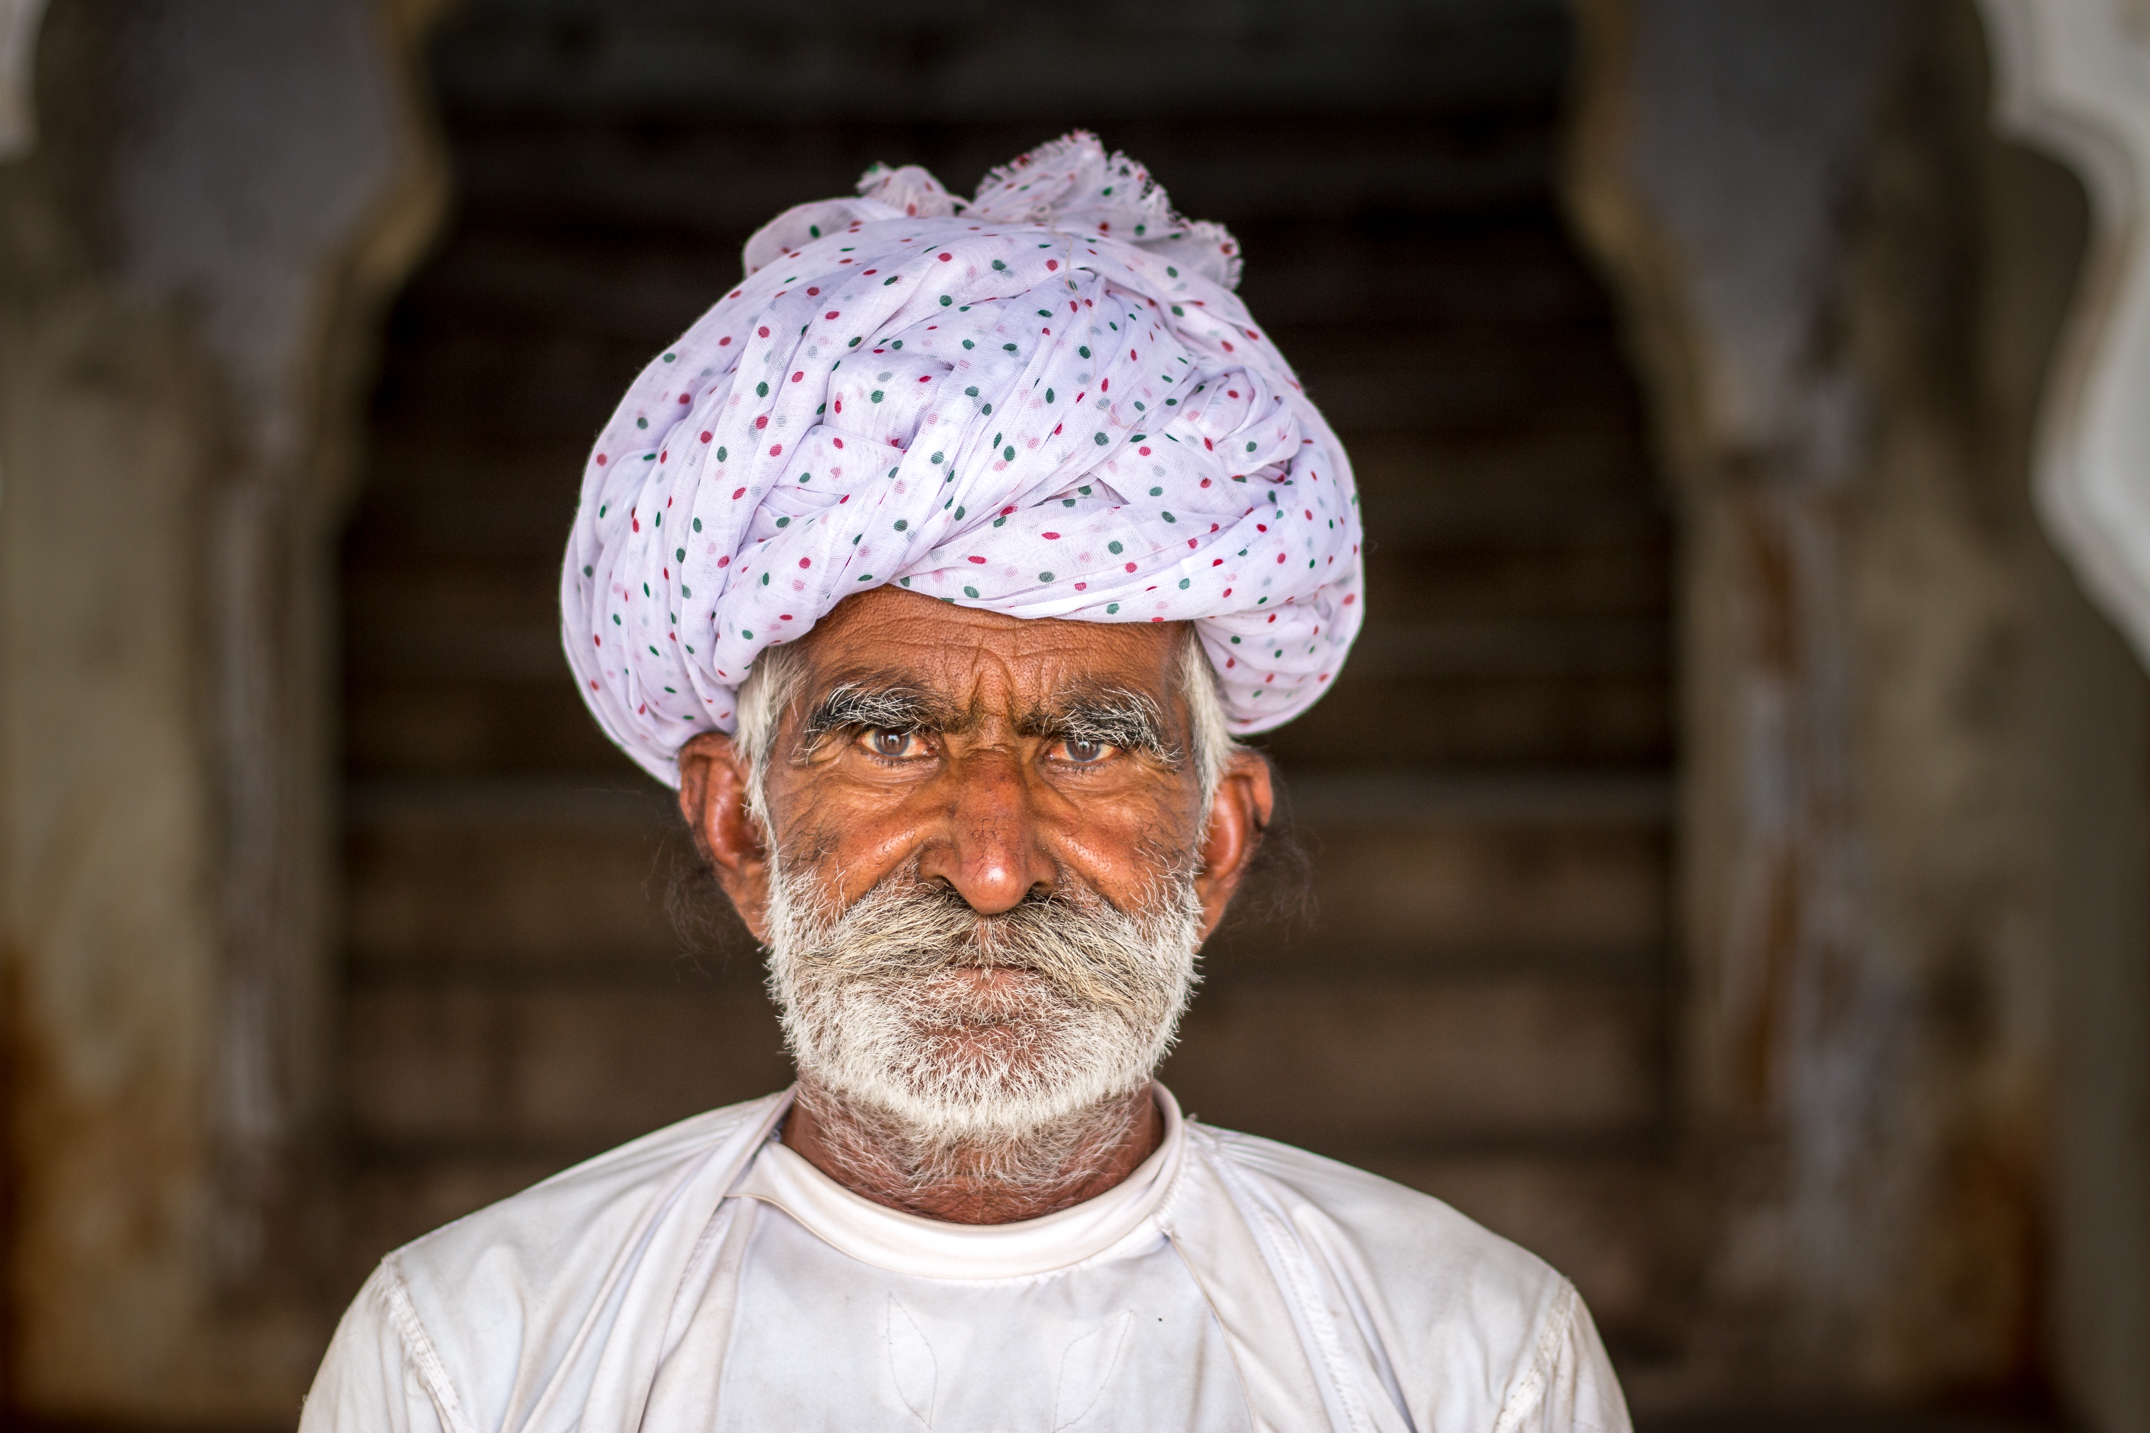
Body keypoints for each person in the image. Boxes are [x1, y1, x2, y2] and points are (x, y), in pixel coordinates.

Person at [301, 132, 1630, 1433]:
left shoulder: (1471, 1366)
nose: (993, 862)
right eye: (891, 736)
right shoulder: (466, 1361)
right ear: (738, 826)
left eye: (1093, 743)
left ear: (1215, 845)